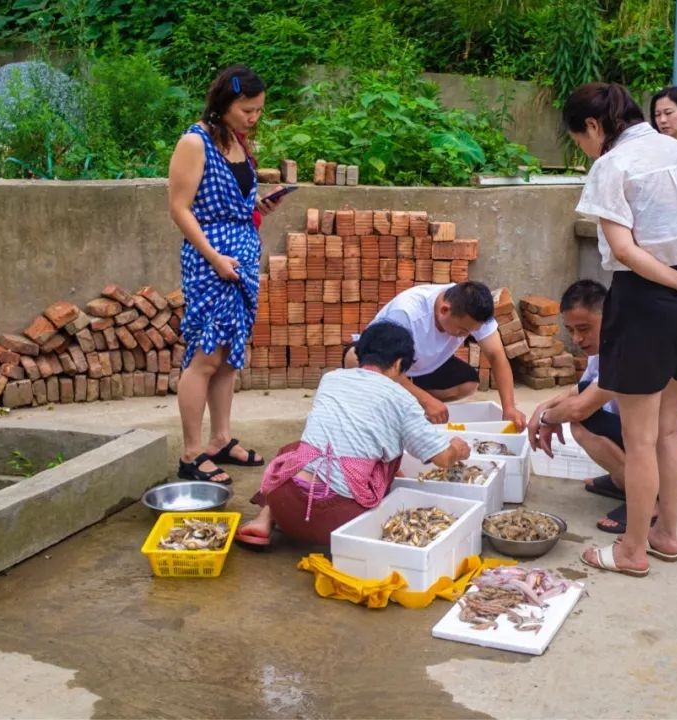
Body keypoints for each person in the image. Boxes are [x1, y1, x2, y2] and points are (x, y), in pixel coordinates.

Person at [562, 82, 677, 577]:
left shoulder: (612, 165)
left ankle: (632, 550)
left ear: (593, 126)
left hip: (649, 297)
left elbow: (627, 251)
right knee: (668, 429)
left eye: (580, 139)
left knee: (639, 439)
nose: (585, 149)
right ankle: (665, 534)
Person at [237, 322, 471, 547]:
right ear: (400, 364)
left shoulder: (331, 379)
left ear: (359, 356)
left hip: (284, 503)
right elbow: (441, 458)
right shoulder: (402, 399)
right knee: (388, 461)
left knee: (294, 451)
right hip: (338, 518)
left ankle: (264, 519)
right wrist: (457, 449)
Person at [168, 65, 286, 485]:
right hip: (210, 262)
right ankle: (190, 453)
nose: (253, 118)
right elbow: (180, 208)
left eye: (258, 111)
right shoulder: (194, 142)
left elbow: (238, 209)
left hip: (241, 260)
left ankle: (220, 439)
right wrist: (215, 257)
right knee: (205, 356)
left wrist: (260, 211)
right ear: (224, 103)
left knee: (229, 358)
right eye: (247, 110)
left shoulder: (238, 142)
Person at [526, 280, 677, 534]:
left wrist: (547, 419)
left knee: (582, 421)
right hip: (661, 453)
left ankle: (650, 500)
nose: (577, 339)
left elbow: (579, 409)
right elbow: (577, 391)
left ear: (610, 316)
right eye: (571, 330)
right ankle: (623, 480)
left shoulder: (629, 352)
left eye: (584, 329)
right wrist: (541, 411)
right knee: (583, 407)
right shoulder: (607, 348)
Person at [343, 282, 527, 429]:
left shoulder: (474, 313)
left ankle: (407, 400)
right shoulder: (407, 312)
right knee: (354, 358)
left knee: (468, 383)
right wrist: (426, 400)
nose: (465, 335)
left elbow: (496, 355)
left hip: (417, 367)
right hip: (384, 359)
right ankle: (403, 400)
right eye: (462, 330)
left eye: (470, 332)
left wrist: (509, 407)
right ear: (444, 310)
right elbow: (384, 364)